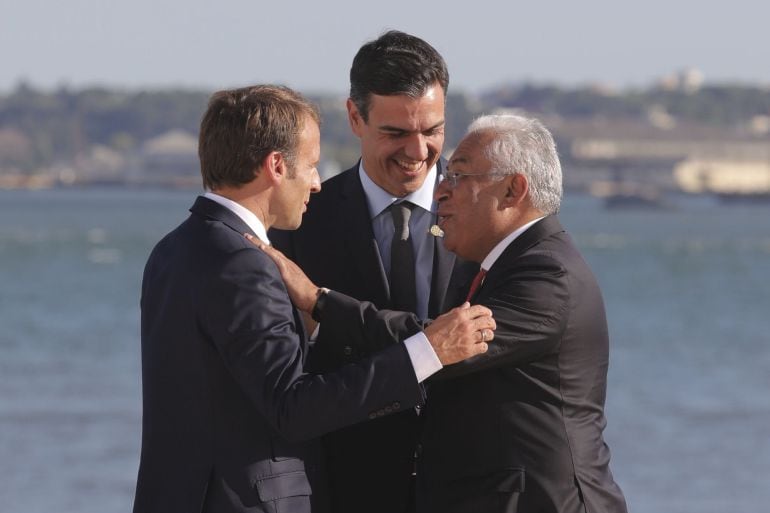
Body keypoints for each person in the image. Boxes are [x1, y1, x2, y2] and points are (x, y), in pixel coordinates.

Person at [132, 84, 494, 513]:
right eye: (311, 165)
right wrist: (425, 352)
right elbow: (292, 406)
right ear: (276, 167)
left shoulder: (172, 250)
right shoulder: (242, 264)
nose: (318, 183)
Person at [258, 113, 629, 512]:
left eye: (458, 176)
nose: (440, 193)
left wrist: (319, 300)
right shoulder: (504, 265)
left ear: (513, 190)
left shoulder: (548, 275)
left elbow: (438, 346)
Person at [270, 30, 478, 513]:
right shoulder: (302, 223)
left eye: (432, 130)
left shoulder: (487, 215)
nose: (419, 150)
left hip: (469, 487)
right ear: (354, 118)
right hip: (346, 486)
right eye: (396, 133)